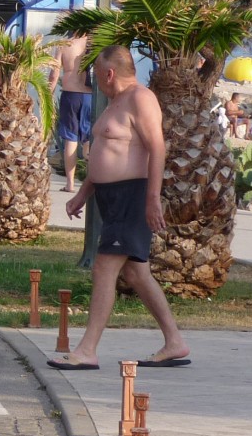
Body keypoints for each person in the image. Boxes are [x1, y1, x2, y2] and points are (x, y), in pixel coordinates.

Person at [51, 45, 189, 371]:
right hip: (110, 197)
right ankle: (174, 342)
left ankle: (86, 350)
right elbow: (105, 152)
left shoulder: (141, 98)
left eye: (96, 74)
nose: (95, 80)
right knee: (136, 273)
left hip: (132, 196)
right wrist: (83, 193)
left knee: (104, 268)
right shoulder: (115, 102)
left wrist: (152, 198)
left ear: (109, 73)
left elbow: (157, 148)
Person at [51, 34, 92, 192]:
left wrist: (48, 93)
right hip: (89, 96)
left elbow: (54, 74)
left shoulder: (64, 44)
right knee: (88, 139)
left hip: (71, 95)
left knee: (71, 139)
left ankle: (70, 184)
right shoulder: (93, 43)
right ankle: (90, 181)